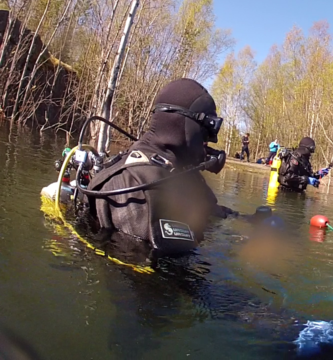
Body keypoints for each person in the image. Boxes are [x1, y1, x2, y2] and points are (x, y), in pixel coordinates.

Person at [82, 78, 237, 256]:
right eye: (209, 129)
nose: (211, 140)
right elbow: (155, 277)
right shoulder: (138, 187)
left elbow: (210, 210)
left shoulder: (179, 172)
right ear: (186, 124)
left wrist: (248, 220)